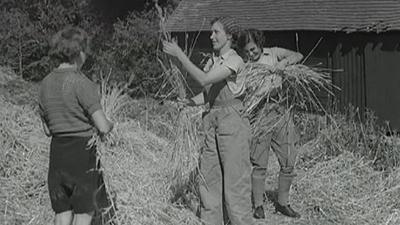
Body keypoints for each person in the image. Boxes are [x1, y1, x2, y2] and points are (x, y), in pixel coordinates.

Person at [163, 17, 255, 225]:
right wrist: (189, 102)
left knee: (235, 185)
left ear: (229, 37)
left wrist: (180, 54)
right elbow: (208, 94)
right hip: (211, 120)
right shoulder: (212, 61)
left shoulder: (235, 60)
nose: (211, 36)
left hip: (232, 123)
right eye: (211, 32)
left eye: (216, 32)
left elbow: (204, 80)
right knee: (209, 181)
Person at [38, 26, 114, 225]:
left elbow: (47, 130)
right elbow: (103, 127)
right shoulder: (81, 83)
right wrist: (112, 124)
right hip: (82, 155)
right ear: (79, 52)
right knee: (83, 213)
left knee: (62, 212)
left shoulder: (45, 84)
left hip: (57, 156)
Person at [239, 28, 303, 219]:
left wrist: (283, 64)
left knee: (288, 160)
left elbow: (298, 55)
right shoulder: (244, 67)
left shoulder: (273, 53)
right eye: (247, 51)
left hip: (280, 112)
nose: (251, 54)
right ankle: (258, 206)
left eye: (253, 49)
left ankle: (283, 203)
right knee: (259, 163)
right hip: (258, 116)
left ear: (260, 44)